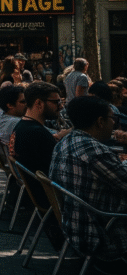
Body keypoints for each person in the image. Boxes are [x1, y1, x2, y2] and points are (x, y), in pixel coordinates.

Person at [48, 96, 127, 274]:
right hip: (102, 232)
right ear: (100, 122)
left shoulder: (66, 142)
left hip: (74, 225)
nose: (114, 125)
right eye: (112, 119)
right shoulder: (94, 151)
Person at [10, 82, 71, 215]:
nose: (60, 107)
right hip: (51, 200)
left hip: (35, 195)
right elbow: (62, 170)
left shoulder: (22, 127)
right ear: (39, 103)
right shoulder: (37, 133)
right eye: (56, 102)